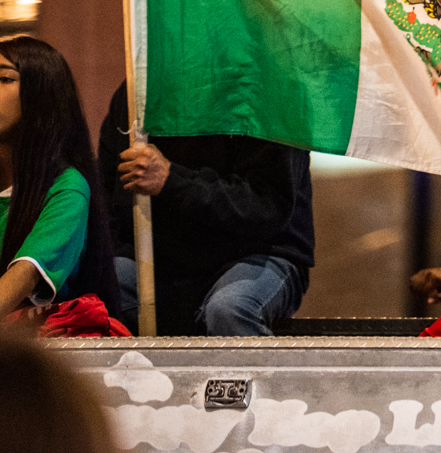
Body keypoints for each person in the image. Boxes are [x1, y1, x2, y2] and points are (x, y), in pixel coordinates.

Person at [98, 83, 313, 335]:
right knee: (97, 298)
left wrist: (172, 181)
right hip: (160, 260)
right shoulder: (139, 88)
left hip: (257, 251)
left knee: (229, 311)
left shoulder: (271, 90)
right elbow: (105, 194)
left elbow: (267, 207)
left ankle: (261, 375)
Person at [0, 37, 121, 329]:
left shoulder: (67, 188)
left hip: (38, 362)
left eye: (4, 78)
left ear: (41, 96)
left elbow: (22, 279)